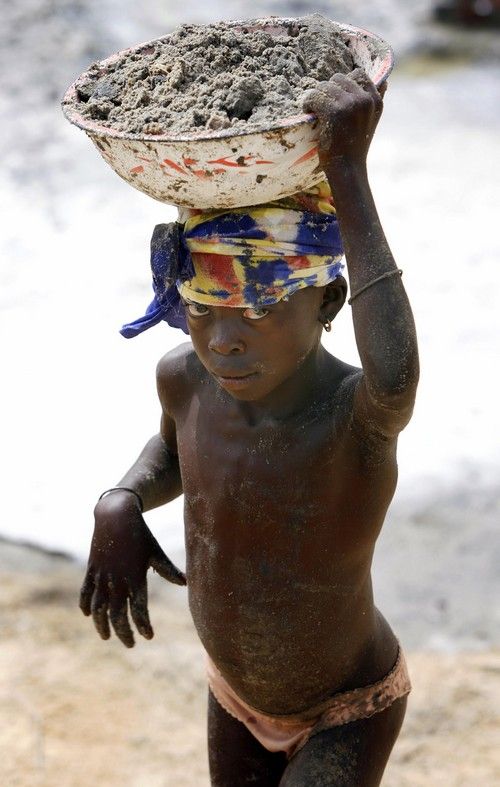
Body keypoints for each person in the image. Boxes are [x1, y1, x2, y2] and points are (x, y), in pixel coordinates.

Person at [79, 68, 419, 786]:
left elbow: (396, 371)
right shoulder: (185, 378)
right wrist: (123, 498)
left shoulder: (354, 416)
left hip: (345, 706)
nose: (224, 340)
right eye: (201, 309)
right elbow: (173, 452)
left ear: (327, 300)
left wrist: (347, 171)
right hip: (232, 694)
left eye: (259, 311)